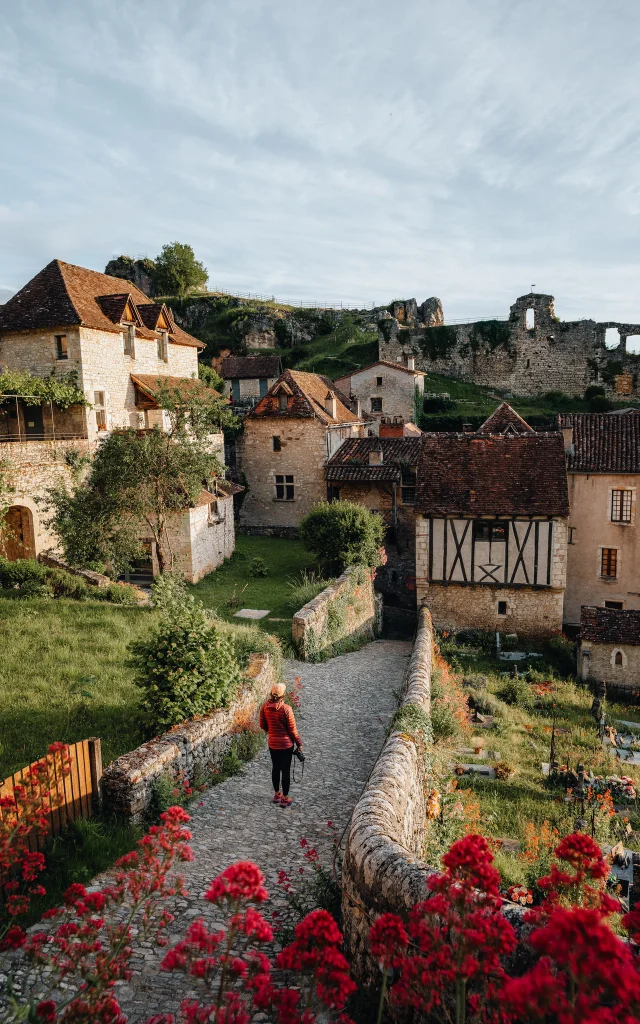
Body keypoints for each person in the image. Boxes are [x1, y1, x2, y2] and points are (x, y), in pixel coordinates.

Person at [259, 681, 303, 807]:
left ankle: (277, 794)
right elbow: (292, 730)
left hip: (273, 743)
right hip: (286, 745)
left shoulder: (264, 707)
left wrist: (272, 732)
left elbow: (262, 724)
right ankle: (285, 798)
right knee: (286, 770)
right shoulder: (287, 709)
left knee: (275, 768)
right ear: (283, 695)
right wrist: (299, 744)